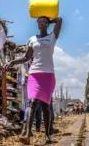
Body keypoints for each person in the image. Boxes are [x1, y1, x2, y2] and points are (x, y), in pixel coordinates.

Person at [6, 16, 62, 145]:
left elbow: (60, 21)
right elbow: (26, 58)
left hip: (48, 76)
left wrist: (50, 20)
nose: (40, 23)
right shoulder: (32, 40)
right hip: (34, 75)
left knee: (45, 106)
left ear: (48, 24)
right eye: (39, 21)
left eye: (43, 22)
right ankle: (27, 133)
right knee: (32, 102)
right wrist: (12, 61)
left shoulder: (52, 37)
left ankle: (47, 135)